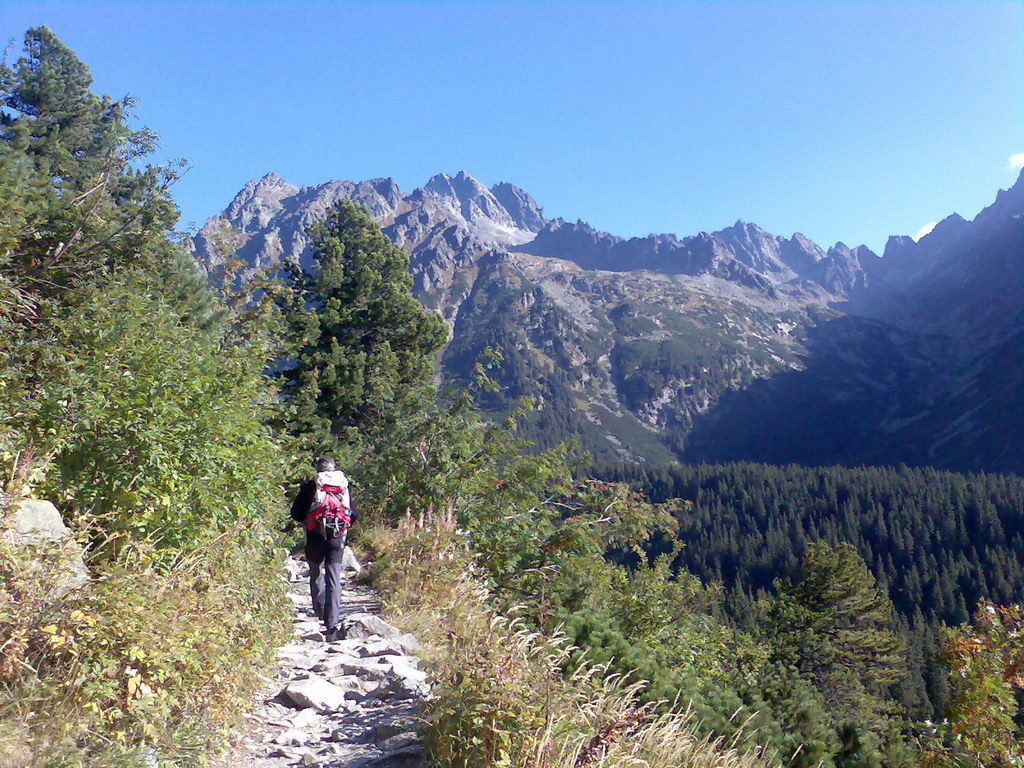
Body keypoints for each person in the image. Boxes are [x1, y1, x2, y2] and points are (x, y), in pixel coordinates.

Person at [290, 456, 356, 641]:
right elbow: (353, 514)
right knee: (334, 577)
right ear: (334, 469)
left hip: (314, 536)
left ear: (318, 469)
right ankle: (332, 621)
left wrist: (308, 520)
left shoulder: (312, 486)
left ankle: (319, 610)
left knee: (316, 572)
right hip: (336, 538)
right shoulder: (343, 486)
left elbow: (295, 513)